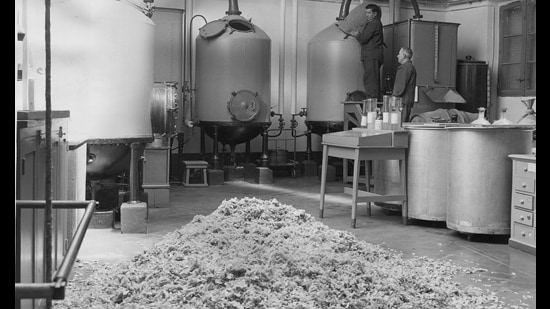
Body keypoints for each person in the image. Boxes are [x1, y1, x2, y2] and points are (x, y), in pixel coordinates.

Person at [349, 4, 384, 101]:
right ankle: (372, 99)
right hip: (372, 55)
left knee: (370, 80)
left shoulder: (373, 23)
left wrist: (357, 34)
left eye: (369, 13)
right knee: (371, 78)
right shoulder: (375, 23)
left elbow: (364, 39)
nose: (367, 15)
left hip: (371, 56)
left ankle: (372, 100)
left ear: (375, 14)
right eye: (366, 13)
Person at [392, 47, 417, 123]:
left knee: (399, 125)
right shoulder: (410, 67)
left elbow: (399, 86)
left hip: (402, 103)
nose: (397, 56)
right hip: (406, 102)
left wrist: (394, 98)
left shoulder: (405, 68)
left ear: (404, 56)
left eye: (399, 54)